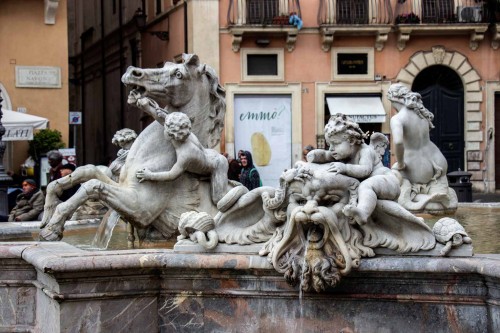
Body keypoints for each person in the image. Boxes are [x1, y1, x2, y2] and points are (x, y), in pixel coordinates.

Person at [308, 114, 402, 225]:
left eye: (336, 144)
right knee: (364, 186)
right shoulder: (341, 153)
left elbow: (365, 170)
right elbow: (326, 155)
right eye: (329, 144)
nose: (331, 148)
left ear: (352, 140)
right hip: (376, 185)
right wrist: (315, 156)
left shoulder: (365, 151)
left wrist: (345, 168)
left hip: (388, 182)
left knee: (366, 186)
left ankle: (362, 213)